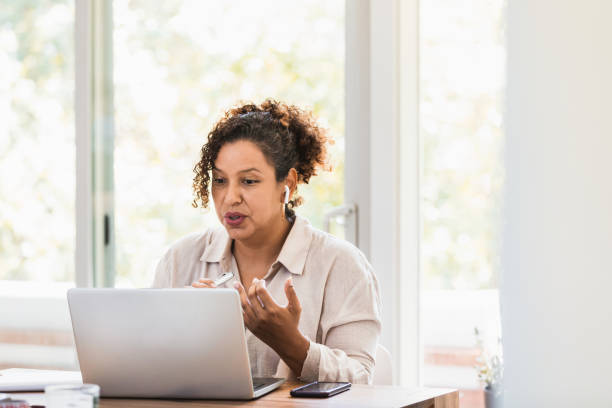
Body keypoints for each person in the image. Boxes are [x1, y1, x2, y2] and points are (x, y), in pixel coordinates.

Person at [152, 100, 381, 384]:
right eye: (220, 180)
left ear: (288, 185)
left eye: (248, 181)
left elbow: (360, 380)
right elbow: (149, 370)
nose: (230, 197)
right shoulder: (180, 259)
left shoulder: (341, 264)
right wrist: (179, 331)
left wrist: (293, 345)